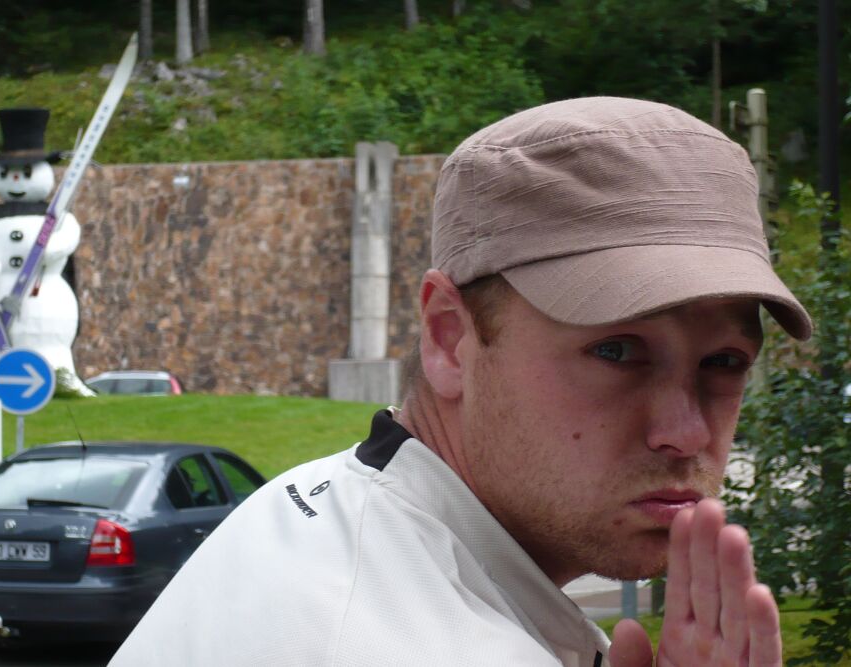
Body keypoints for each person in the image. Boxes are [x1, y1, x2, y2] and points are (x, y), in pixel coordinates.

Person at [109, 97, 812, 667]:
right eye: (618, 351)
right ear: (449, 336)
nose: (687, 431)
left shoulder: (330, 514)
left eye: (724, 362)